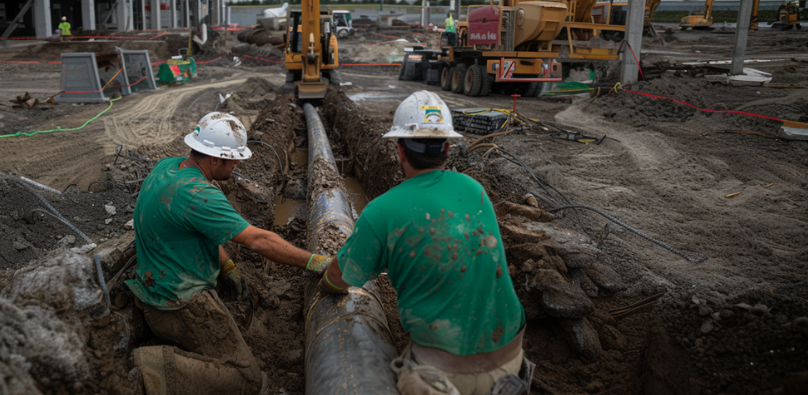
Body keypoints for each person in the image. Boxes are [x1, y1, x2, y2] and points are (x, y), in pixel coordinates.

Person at [319, 91, 532, 395]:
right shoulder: (474, 190)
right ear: (446, 148)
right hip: (510, 360)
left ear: (400, 151)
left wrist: (324, 280)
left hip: (444, 372)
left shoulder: (381, 211)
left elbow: (339, 279)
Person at [127, 112, 332, 395]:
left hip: (153, 288)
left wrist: (227, 267)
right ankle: (151, 368)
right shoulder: (199, 194)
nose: (237, 165)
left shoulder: (168, 168)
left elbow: (199, 228)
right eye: (233, 158)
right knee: (246, 379)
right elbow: (259, 240)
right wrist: (314, 261)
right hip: (177, 303)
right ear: (214, 159)